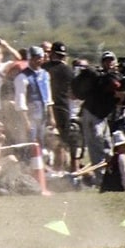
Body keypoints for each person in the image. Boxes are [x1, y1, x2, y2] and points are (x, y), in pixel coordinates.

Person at [78, 49, 124, 183]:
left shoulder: (113, 75)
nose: (109, 63)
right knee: (96, 147)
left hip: (102, 117)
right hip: (91, 114)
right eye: (106, 61)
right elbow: (114, 86)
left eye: (111, 60)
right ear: (103, 63)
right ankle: (100, 179)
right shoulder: (101, 77)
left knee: (108, 147)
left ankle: (108, 176)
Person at [44, 42, 81, 173]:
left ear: (51, 54)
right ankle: (59, 172)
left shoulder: (43, 69)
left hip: (45, 110)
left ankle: (49, 172)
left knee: (46, 142)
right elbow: (74, 94)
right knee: (61, 143)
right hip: (63, 109)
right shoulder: (68, 71)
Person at [14, 46, 56, 149]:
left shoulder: (45, 74)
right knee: (30, 142)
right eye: (35, 57)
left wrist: (52, 117)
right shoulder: (22, 77)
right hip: (30, 114)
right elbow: (20, 100)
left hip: (43, 114)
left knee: (42, 141)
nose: (38, 60)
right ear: (30, 58)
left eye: (40, 57)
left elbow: (48, 98)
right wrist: (25, 120)